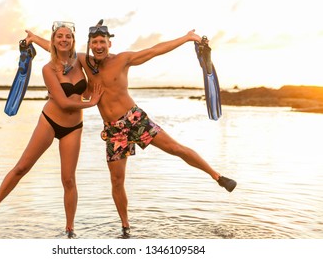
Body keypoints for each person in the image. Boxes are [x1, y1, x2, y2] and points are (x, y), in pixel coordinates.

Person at [26, 20, 237, 237]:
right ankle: (126, 228)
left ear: (109, 44)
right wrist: (34, 39)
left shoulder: (123, 59)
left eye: (103, 42)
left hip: (135, 120)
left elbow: (154, 50)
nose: (99, 46)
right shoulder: (84, 61)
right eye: (95, 42)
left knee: (175, 148)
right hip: (114, 130)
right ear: (89, 45)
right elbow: (58, 48)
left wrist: (187, 38)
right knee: (117, 181)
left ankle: (217, 177)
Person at [0, 21, 103, 238]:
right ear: (54, 41)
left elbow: (88, 56)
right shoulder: (48, 69)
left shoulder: (81, 61)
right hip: (49, 121)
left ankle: (69, 230)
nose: (64, 39)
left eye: (68, 36)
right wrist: (90, 102)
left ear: (73, 40)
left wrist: (36, 38)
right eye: (59, 36)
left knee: (68, 179)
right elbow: (64, 103)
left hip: (74, 127)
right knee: (22, 167)